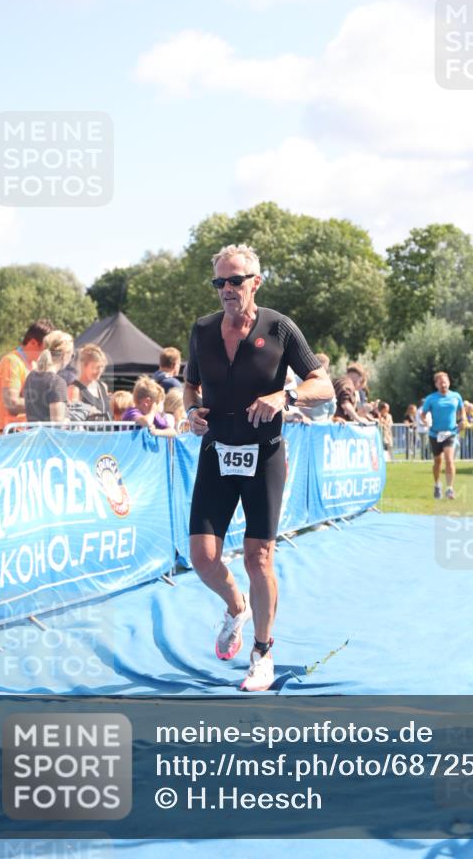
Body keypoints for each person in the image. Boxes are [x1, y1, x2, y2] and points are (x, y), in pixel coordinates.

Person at [184, 243, 334, 692]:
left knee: (258, 557)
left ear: (256, 281)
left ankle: (263, 652)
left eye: (236, 280)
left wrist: (284, 397)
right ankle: (236, 607)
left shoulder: (280, 328)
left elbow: (322, 384)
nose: (227, 289)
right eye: (220, 282)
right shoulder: (203, 330)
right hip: (216, 453)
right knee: (203, 558)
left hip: (264, 454)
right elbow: (190, 386)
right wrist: (191, 412)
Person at [0, 319, 54, 433]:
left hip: (25, 434)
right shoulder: (12, 362)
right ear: (33, 342)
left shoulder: (33, 364)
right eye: (46, 348)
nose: (48, 353)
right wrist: (50, 403)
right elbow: (12, 404)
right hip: (11, 436)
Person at [422, 371, 466, 499]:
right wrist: (425, 421)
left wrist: (463, 419)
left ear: (449, 382)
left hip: (450, 433)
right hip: (435, 434)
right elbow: (423, 415)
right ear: (436, 384)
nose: (443, 384)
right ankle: (437, 485)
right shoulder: (431, 398)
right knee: (437, 462)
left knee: (449, 459)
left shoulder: (456, 396)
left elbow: (461, 409)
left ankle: (450, 489)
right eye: (440, 382)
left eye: (445, 382)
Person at [24, 330, 74, 423]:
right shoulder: (57, 382)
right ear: (64, 355)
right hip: (49, 437)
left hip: (34, 436)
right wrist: (71, 418)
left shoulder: (31, 376)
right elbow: (58, 424)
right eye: (72, 355)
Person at [68, 344, 111, 419]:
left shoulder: (103, 386)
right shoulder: (74, 389)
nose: (99, 371)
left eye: (101, 367)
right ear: (83, 366)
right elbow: (73, 418)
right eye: (95, 367)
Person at [296, 353, 336, 422]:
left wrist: (331, 419)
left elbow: (332, 406)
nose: (322, 372)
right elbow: (289, 404)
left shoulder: (326, 382)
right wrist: (300, 416)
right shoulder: (298, 380)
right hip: (301, 423)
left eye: (325, 370)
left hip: (321, 425)